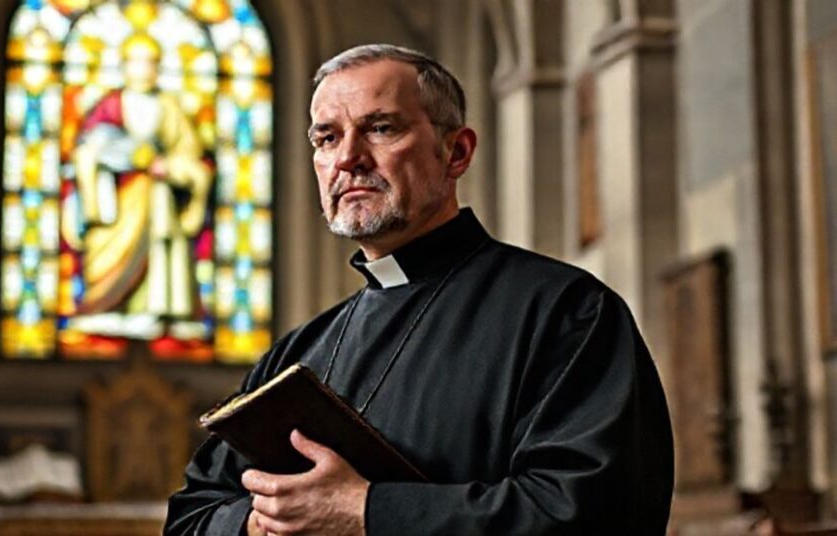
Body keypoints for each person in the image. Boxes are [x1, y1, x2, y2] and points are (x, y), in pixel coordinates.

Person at [165, 44, 673, 535]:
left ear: (456, 152)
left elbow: (597, 514)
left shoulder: (565, 312)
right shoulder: (298, 353)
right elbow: (191, 517)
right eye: (326, 139)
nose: (348, 159)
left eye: (380, 128)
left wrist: (368, 512)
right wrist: (261, 523)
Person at [70, 33, 211, 334]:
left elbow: (189, 150)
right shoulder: (109, 105)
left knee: (161, 250)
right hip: (118, 198)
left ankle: (158, 312)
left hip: (159, 196)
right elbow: (87, 148)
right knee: (108, 254)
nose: (145, 70)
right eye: (138, 63)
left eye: (151, 63)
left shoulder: (168, 107)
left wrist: (170, 166)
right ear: (124, 67)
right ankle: (108, 306)